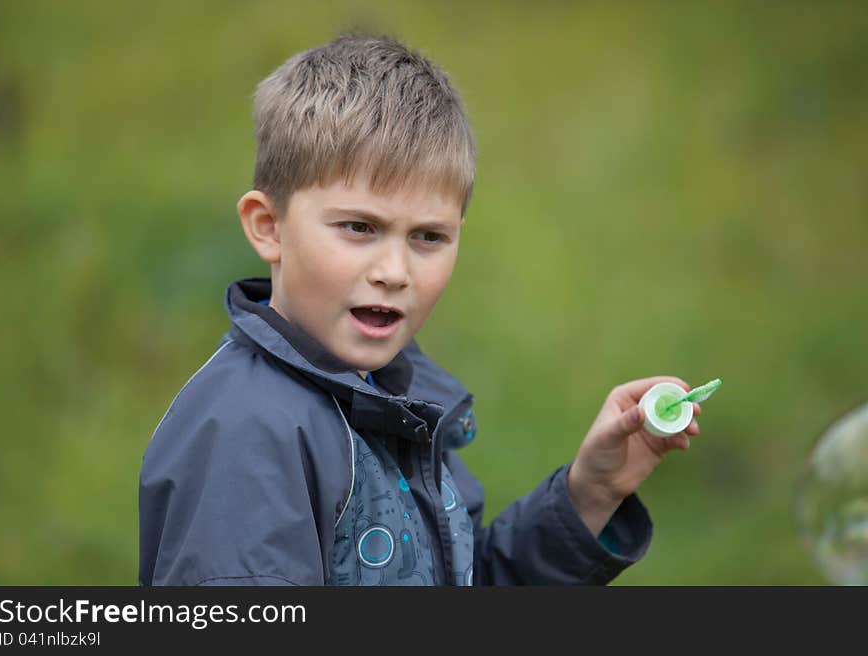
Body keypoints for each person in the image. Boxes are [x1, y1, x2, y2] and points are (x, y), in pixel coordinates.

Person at [138, 33, 701, 586]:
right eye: (359, 228)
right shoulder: (246, 438)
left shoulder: (393, 400)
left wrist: (590, 494)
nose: (395, 271)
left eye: (428, 237)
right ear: (269, 227)